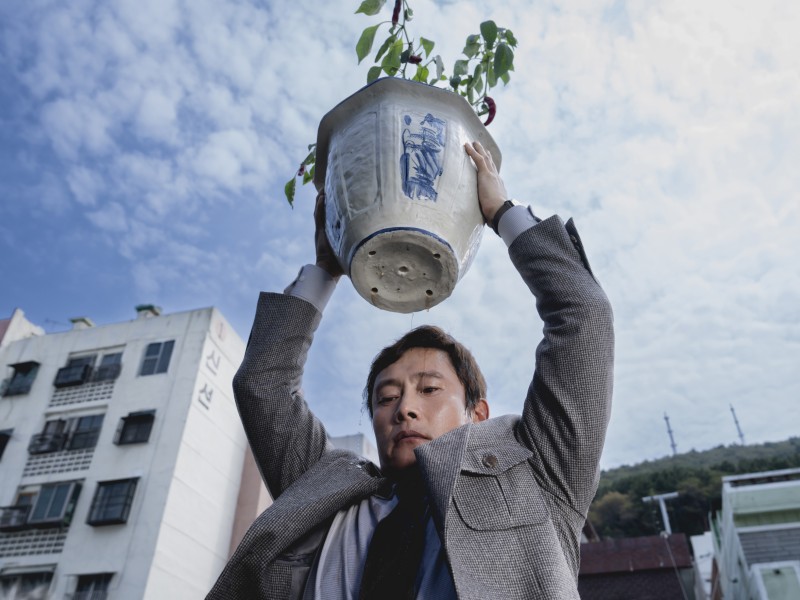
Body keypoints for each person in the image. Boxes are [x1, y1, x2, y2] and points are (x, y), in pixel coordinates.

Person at [207, 142, 614, 599]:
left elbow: (583, 315)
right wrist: (325, 268)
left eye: (430, 389)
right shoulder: (322, 490)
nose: (404, 409)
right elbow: (262, 384)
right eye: (386, 398)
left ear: (477, 413)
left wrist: (501, 212)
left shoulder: (539, 472)